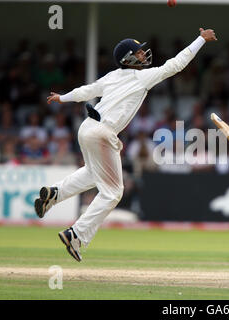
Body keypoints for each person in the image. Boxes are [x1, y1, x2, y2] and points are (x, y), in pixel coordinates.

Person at [35, 28, 217, 262]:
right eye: (139, 53)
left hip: (86, 128)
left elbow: (86, 91)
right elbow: (176, 64)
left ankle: (55, 193)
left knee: (93, 173)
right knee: (113, 192)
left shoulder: (111, 76)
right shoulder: (142, 77)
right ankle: (76, 235)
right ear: (127, 58)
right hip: (103, 132)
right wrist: (201, 39)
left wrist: (62, 97)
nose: (144, 56)